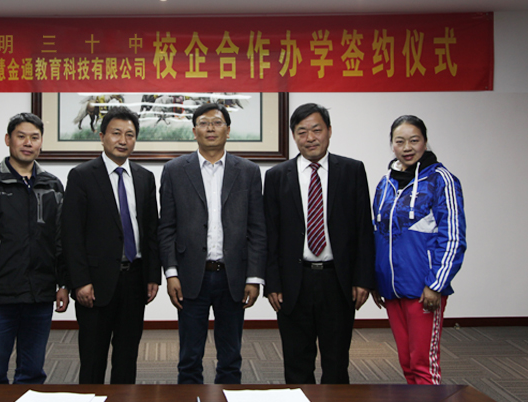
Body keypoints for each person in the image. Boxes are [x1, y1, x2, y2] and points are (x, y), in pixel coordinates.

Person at [264, 103, 375, 384]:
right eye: (302, 132)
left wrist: (363, 279)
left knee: (336, 363)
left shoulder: (351, 170)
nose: (310, 138)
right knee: (296, 363)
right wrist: (272, 283)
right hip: (294, 282)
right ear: (293, 136)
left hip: (337, 280)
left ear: (329, 131)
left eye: (316, 130)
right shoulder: (277, 176)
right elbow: (270, 235)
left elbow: (364, 228)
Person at [158, 103, 267, 384]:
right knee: (189, 356)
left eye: (217, 123)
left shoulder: (248, 171)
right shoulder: (174, 170)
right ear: (194, 131)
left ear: (228, 131)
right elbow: (166, 227)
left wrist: (254, 277)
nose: (210, 128)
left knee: (230, 356)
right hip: (190, 276)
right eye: (204, 123)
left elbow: (257, 229)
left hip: (233, 276)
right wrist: (171, 273)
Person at [0, 112, 68, 384]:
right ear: (8, 140)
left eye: (34, 137)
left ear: (41, 143)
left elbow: (62, 240)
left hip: (40, 295)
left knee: (32, 374)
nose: (28, 143)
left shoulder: (53, 186)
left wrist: (64, 283)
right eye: (21, 136)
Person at [62, 106, 161, 384]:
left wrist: (153, 275)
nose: (123, 140)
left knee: (127, 357)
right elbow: (71, 234)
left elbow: (151, 231)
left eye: (130, 134)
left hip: (135, 280)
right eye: (116, 133)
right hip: (95, 283)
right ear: (102, 136)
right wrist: (80, 281)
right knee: (93, 358)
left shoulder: (144, 177)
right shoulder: (82, 175)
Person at [371, 115, 466, 385]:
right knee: (407, 362)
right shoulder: (385, 183)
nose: (407, 147)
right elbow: (376, 233)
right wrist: (375, 279)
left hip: (424, 289)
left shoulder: (441, 180)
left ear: (425, 141)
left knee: (423, 365)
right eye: (399, 141)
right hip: (391, 289)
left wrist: (436, 284)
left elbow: (453, 237)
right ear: (392, 144)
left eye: (414, 140)